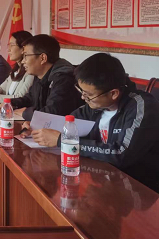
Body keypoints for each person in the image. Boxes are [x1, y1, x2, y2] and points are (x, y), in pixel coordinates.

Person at [28, 53, 159, 193]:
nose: (83, 98)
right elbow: (69, 122)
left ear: (113, 93)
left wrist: (64, 142)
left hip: (139, 188)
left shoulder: (141, 107)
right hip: (105, 178)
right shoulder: (96, 105)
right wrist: (36, 127)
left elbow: (122, 153)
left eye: (88, 95)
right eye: (81, 91)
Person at [11, 34, 82, 124]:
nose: (22, 61)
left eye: (26, 56)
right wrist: (11, 103)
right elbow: (31, 98)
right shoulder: (39, 75)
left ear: (43, 58)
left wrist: (25, 113)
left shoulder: (64, 79)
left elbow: (52, 113)